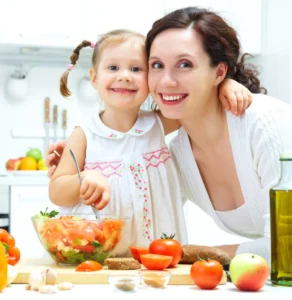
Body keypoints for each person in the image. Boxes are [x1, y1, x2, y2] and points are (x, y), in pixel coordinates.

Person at [48, 28, 251, 256]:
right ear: (94, 78)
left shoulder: (159, 124)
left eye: (136, 69)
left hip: (156, 253)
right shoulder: (85, 133)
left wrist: (225, 85)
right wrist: (85, 177)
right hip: (97, 253)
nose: (125, 75)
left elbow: (200, 102)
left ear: (149, 79)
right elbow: (56, 191)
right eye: (113, 67)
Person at [144, 6, 292, 265]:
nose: (166, 81)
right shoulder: (176, 153)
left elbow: (286, 243)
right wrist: (84, 149)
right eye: (156, 65)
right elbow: (146, 223)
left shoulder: (263, 124)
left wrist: (204, 254)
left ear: (220, 72)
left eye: (185, 64)